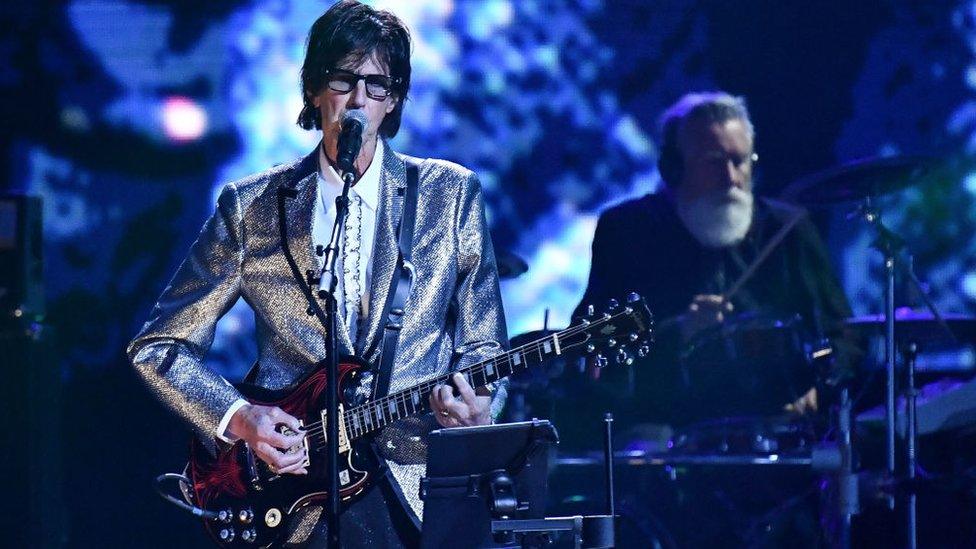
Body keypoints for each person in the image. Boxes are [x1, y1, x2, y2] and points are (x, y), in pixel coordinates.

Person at [127, 1, 507, 546]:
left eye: (378, 85)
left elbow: (484, 343)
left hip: (412, 489)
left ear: (394, 99)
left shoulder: (447, 196)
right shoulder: (252, 207)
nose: (358, 100)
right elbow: (158, 347)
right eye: (343, 79)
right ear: (313, 89)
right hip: (289, 492)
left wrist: (478, 408)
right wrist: (238, 417)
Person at [573, 91, 856, 431]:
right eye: (713, 162)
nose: (731, 178)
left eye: (740, 161)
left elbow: (845, 332)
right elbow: (592, 343)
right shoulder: (626, 230)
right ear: (673, 168)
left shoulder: (787, 229)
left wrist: (818, 385)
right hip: (668, 433)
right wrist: (678, 332)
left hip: (784, 430)